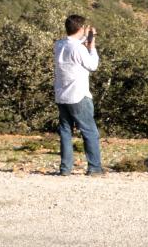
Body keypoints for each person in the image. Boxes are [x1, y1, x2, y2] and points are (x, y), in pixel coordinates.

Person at [53, 14, 104, 175]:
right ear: (81, 28)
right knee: (89, 131)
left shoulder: (59, 45)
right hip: (78, 95)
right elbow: (93, 65)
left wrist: (87, 39)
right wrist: (92, 46)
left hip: (62, 95)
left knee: (65, 132)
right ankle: (94, 167)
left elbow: (72, 45)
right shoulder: (78, 48)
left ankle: (65, 168)